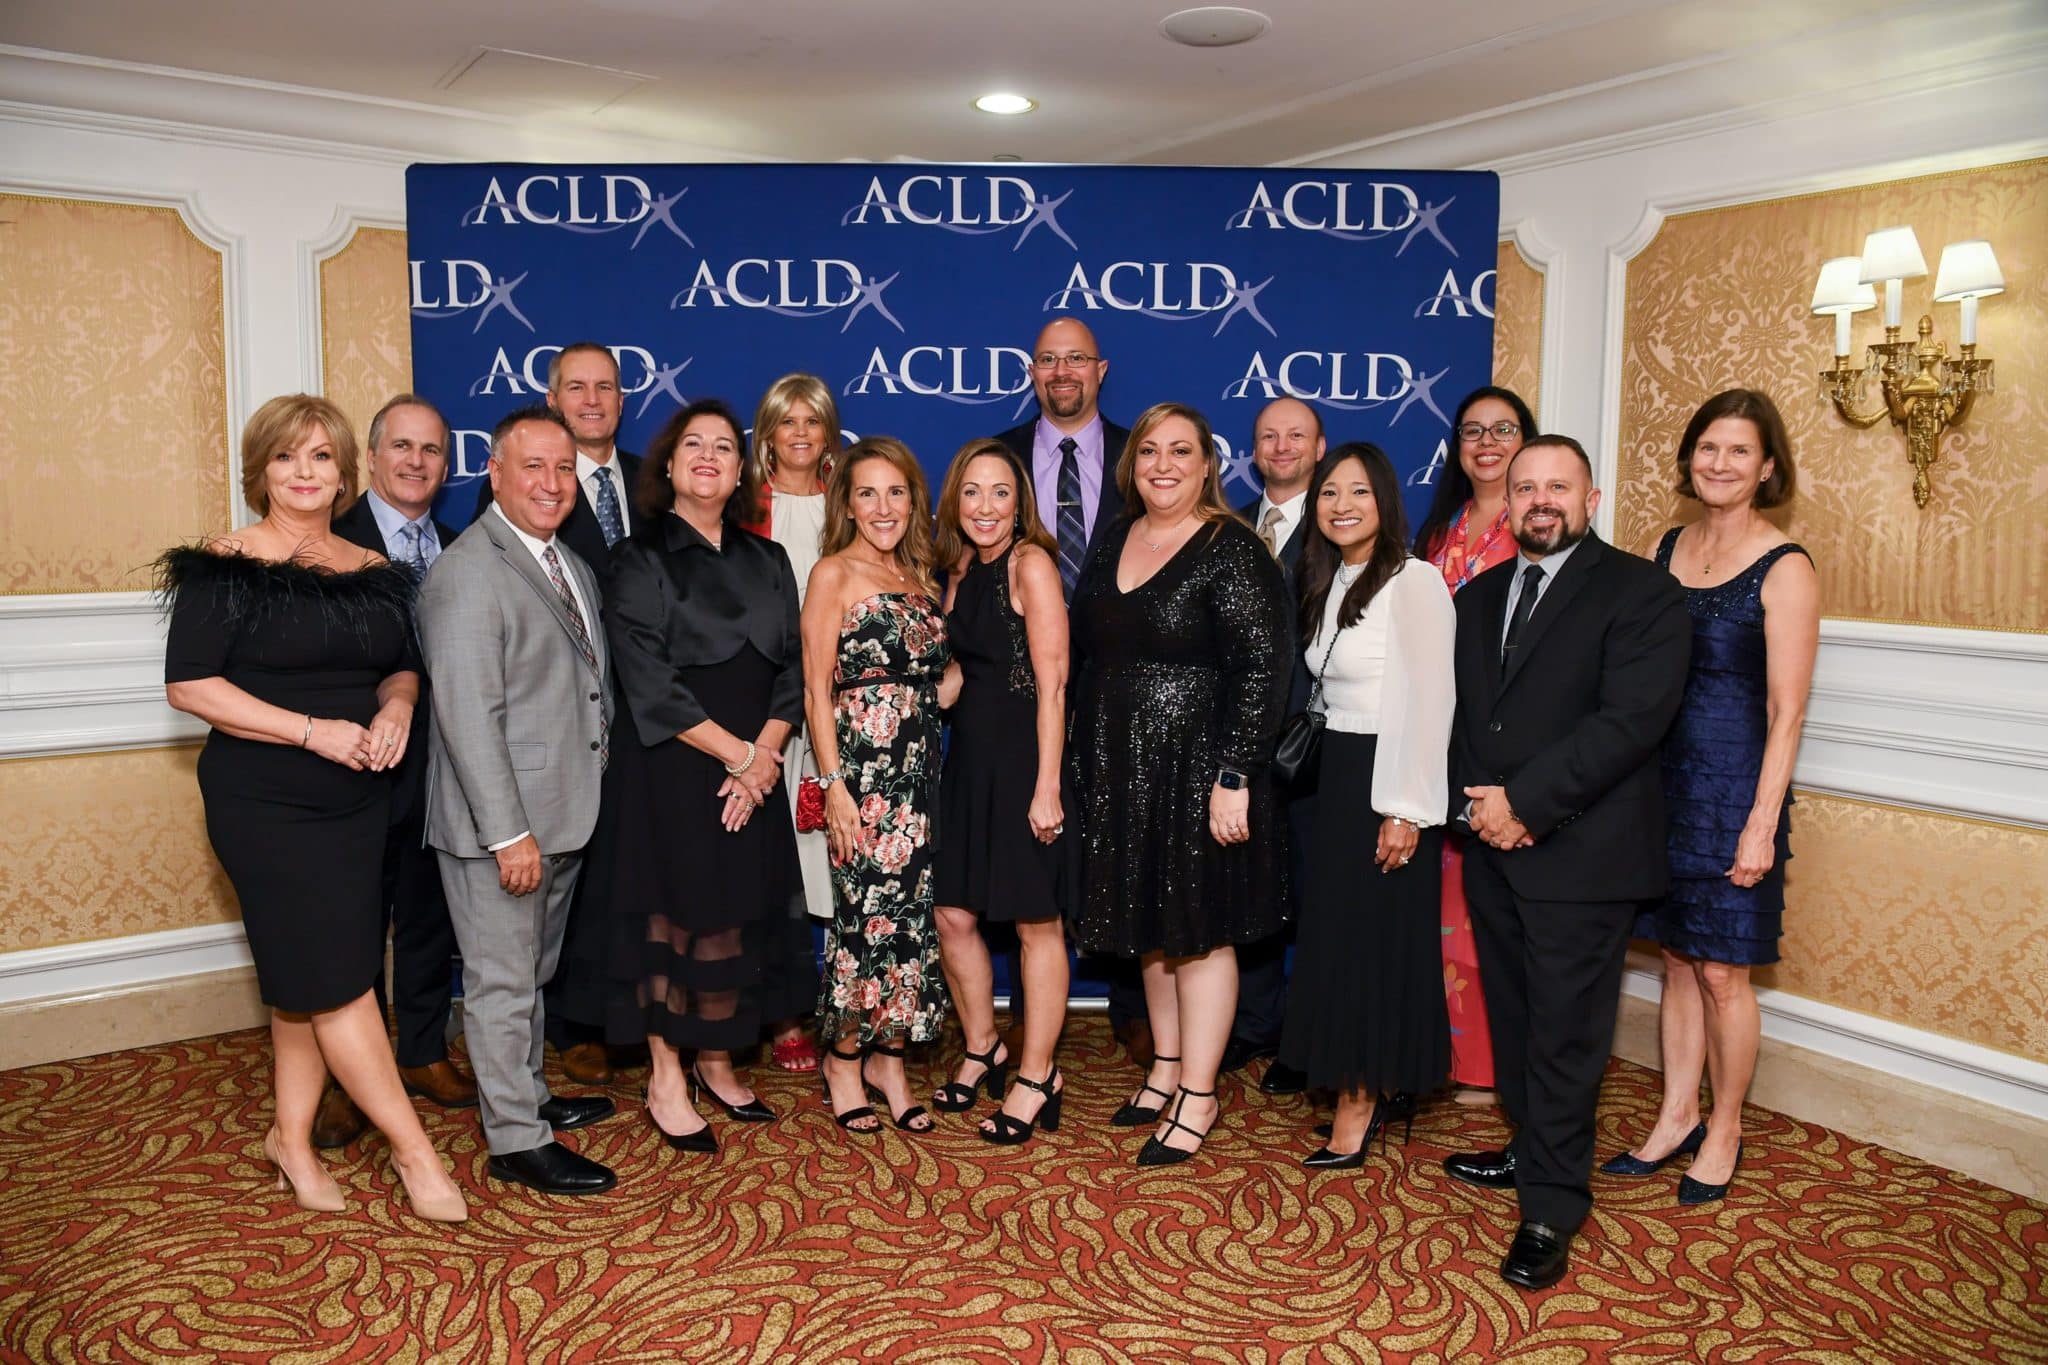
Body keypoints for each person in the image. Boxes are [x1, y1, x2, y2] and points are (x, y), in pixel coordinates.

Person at [159, 393, 467, 1223]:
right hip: (264, 799)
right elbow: (190, 685)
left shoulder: (371, 568)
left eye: (321, 456)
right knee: (340, 980)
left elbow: (399, 665)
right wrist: (309, 731)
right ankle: (415, 1150)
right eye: (286, 456)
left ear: (344, 473)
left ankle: (289, 1140)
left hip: (357, 796)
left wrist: (397, 706)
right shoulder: (224, 561)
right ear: (260, 470)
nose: (304, 472)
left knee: (306, 975)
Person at [1443, 434, 1691, 1290]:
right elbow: (1465, 717)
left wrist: (1525, 805)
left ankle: (1551, 1204)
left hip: (1584, 853)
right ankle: (1529, 1145)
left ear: (1592, 499)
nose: (1540, 500)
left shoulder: (1642, 591)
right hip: (1493, 846)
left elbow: (1630, 722)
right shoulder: (1478, 597)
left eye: (1558, 486)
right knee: (1515, 1014)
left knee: (1566, 1033)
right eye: (1525, 487)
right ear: (1506, 501)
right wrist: (1479, 808)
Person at [1604, 390, 1817, 1204]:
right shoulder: (1664, 548)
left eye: (1738, 451)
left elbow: (1787, 712)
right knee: (1677, 961)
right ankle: (1675, 1115)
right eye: (1707, 447)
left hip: (1734, 794)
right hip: (1661, 789)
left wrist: (1761, 824)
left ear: (1767, 468)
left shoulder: (1785, 565)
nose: (1719, 463)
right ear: (1690, 457)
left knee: (1725, 971)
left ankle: (1724, 1126)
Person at [1068, 402, 1292, 1166]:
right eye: (1149, 451)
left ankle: (1199, 1090)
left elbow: (1263, 672)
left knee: (1200, 932)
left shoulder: (1234, 549)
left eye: (1180, 451)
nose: (1162, 464)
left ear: (1207, 466)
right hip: (1122, 765)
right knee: (1154, 928)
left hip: (1200, 768)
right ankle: (1165, 1067)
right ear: (1131, 464)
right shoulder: (1115, 537)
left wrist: (1234, 774)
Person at [417, 405, 619, 1197]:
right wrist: (508, 835)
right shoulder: (468, 572)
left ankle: (528, 1095)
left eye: (565, 468)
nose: (551, 482)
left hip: (559, 811)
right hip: (502, 829)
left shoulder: (565, 561)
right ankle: (515, 1140)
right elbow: (469, 717)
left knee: (530, 972)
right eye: (532, 466)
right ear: (495, 473)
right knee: (501, 984)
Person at [603, 399, 804, 1154]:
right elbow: (649, 682)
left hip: (755, 765)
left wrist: (763, 758)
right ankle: (665, 1075)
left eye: (724, 445)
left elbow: (793, 670)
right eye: (695, 444)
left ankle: (717, 1059)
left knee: (736, 911)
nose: (710, 456)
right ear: (669, 462)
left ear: (741, 468)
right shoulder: (638, 556)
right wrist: (739, 758)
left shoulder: (769, 559)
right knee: (675, 914)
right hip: (674, 768)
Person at [1278, 443, 1456, 1167]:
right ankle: (1355, 1078)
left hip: (1388, 779)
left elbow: (1432, 700)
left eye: (1357, 491)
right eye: (1329, 493)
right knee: (1337, 939)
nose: (1341, 505)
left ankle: (1363, 1098)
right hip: (1336, 777)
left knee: (1375, 945)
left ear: (1385, 499)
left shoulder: (1415, 580)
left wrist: (1405, 809)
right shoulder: (1327, 577)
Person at [473, 342, 644, 1086]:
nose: (592, 399)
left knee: (601, 884)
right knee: (529, 929)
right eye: (577, 386)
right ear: (553, 397)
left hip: (631, 725)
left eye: (606, 387)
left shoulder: (648, 482)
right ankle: (560, 1046)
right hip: (544, 741)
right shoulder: (503, 520)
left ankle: (600, 1025)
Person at [313, 393, 472, 1151]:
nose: (416, 461)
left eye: (431, 449)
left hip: (445, 763)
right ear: (371, 457)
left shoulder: (461, 544)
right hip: (359, 760)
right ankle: (353, 1075)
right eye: (401, 446)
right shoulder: (327, 539)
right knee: (352, 921)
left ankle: (422, 1050)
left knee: (428, 913)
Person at [994, 316, 1147, 1067]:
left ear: (1101, 369)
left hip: (1127, 679)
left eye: (1076, 359)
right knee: (1036, 842)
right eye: (1048, 359)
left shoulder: (1140, 456)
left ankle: (1135, 1003)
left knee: (1127, 835)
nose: (1062, 372)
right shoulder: (999, 456)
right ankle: (1032, 1016)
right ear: (1032, 371)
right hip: (1024, 685)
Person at [801, 437, 953, 1135]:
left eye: (896, 492)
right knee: (865, 920)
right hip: (861, 778)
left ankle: (890, 1061)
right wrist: (833, 785)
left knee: (911, 919)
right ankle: (843, 1059)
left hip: (920, 776)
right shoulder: (832, 573)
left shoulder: (921, 576)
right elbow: (815, 688)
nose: (883, 507)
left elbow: (938, 675)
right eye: (868, 493)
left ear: (913, 502)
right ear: (848, 505)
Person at [929, 438, 1075, 1146]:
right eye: (971, 491)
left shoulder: (1030, 564)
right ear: (955, 502)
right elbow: (966, 669)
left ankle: (1038, 1075)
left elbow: (1054, 684)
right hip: (968, 762)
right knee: (952, 914)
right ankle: (984, 1044)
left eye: (999, 492)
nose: (984, 506)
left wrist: (1047, 787)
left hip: (1024, 764)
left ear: (1020, 504)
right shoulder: (961, 568)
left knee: (1033, 924)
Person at [1415, 385, 1539, 1109]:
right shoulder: (1441, 529)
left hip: (1508, 738)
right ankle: (1448, 1054)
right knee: (1442, 904)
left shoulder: (1539, 526)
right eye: (1472, 430)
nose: (1487, 442)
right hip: (1438, 735)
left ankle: (1495, 1069)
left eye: (1503, 429)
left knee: (1493, 910)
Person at [1225, 395, 1328, 1095]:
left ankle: (1308, 1039)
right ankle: (1255, 1022)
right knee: (1251, 889)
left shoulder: (1343, 521)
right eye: (1269, 436)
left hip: (1316, 744)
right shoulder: (1227, 526)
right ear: (1254, 449)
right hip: (1241, 744)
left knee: (1319, 896)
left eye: (1296, 435)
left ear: (1319, 448)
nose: (1282, 446)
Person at [742, 374, 839, 1075]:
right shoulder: (742, 506)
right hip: (763, 711)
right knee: (772, 864)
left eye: (812, 421)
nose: (800, 433)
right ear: (767, 434)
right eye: (787, 421)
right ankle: (781, 1013)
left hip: (841, 709)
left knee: (836, 856)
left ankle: (845, 1001)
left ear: (829, 433)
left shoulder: (853, 502)